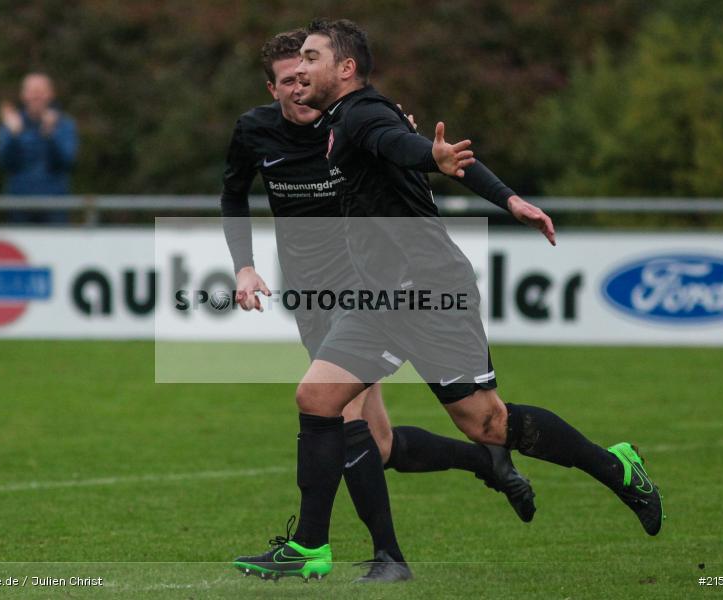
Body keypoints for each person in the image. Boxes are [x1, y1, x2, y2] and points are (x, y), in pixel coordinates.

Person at [234, 18, 664, 582]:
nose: (301, 70)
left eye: (312, 58)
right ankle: (310, 546)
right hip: (378, 299)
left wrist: (486, 188)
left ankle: (617, 467)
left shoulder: (363, 116)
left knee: (487, 424)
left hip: (430, 292)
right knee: (317, 397)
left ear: (346, 68)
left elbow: (407, 147)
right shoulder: (341, 120)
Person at [227, 30, 534, 583]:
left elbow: (401, 150)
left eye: (306, 73)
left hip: (364, 285)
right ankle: (484, 459)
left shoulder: (347, 123)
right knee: (380, 444)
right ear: (271, 88)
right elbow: (232, 194)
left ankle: (381, 556)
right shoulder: (254, 130)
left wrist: (412, 141)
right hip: (309, 293)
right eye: (288, 80)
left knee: (339, 416)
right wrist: (243, 266)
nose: (299, 85)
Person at [0, 72, 77, 223]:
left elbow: (67, 162)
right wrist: (14, 136)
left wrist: (50, 135)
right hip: (19, 207)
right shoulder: (11, 124)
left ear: (51, 94)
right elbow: (4, 163)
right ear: (23, 95)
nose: (36, 96)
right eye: (32, 91)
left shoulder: (64, 125)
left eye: (41, 92)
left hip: (55, 206)